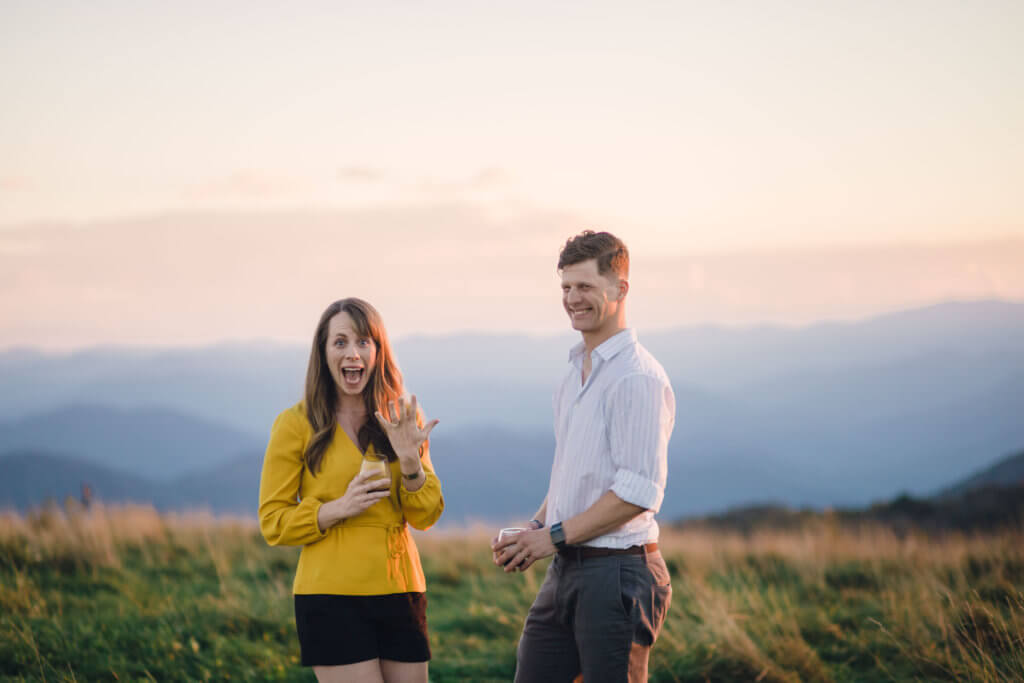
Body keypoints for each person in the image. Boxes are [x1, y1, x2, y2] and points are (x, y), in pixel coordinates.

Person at [492, 231, 675, 682]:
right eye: (565, 288)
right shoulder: (574, 372)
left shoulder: (636, 378)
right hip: (566, 568)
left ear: (620, 289)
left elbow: (636, 493)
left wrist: (549, 537)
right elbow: (572, 477)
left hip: (617, 574)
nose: (572, 299)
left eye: (585, 287)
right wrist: (535, 528)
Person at [259, 298, 443, 683]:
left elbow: (425, 516)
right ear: (324, 353)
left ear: (378, 351)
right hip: (330, 596)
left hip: (401, 589)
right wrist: (338, 508)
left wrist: (410, 462)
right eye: (340, 342)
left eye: (363, 342)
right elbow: (273, 522)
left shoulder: (402, 416)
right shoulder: (295, 424)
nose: (352, 353)